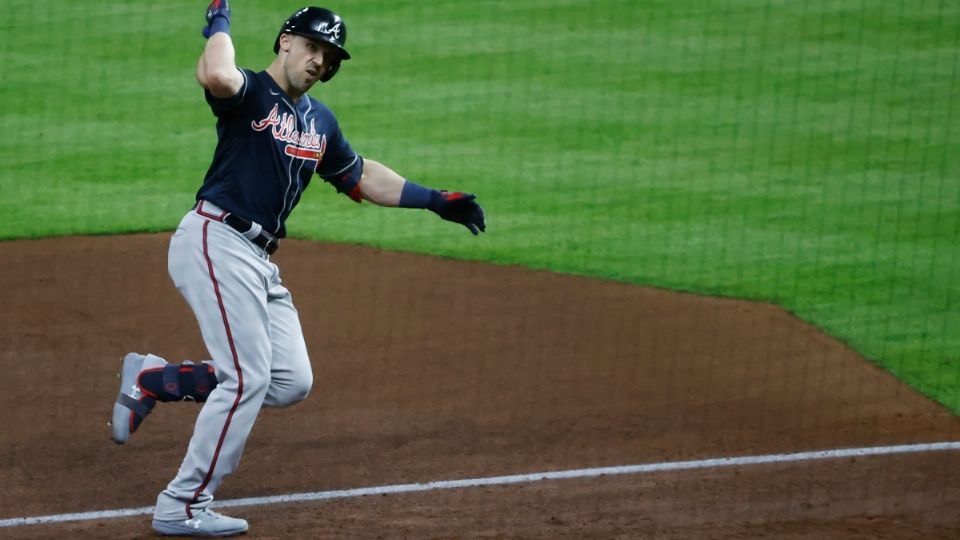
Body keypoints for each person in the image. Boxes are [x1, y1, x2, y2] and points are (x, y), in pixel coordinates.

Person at [109, 2, 485, 536]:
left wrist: (433, 200)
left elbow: (360, 176)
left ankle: (155, 379)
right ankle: (182, 504)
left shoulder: (319, 120)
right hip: (217, 239)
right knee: (247, 379)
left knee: (288, 381)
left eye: (329, 57)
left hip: (259, 261)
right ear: (285, 41)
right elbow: (215, 73)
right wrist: (218, 23)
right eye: (312, 47)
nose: (318, 62)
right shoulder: (251, 93)